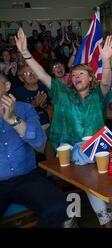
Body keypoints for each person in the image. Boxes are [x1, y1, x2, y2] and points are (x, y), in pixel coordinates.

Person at [15, 28, 112, 228]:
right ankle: (109, 212)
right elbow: (41, 74)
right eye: (73, 75)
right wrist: (25, 53)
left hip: (99, 149)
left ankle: (107, 219)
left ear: (91, 78)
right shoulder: (63, 93)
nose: (76, 77)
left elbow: (106, 83)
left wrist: (106, 61)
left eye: (81, 74)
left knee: (91, 176)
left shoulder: (97, 95)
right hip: (74, 151)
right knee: (88, 172)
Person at [0, 73, 67, 227]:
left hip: (27, 177)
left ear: (7, 86)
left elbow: (39, 142)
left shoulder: (25, 108)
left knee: (57, 206)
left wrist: (13, 120)